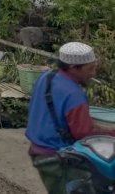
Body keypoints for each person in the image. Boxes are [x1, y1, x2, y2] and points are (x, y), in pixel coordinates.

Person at [26, 42, 115, 193]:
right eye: (90, 69)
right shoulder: (74, 95)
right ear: (73, 68)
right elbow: (83, 133)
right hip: (56, 157)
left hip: (37, 149)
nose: (93, 73)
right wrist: (111, 133)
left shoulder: (46, 77)